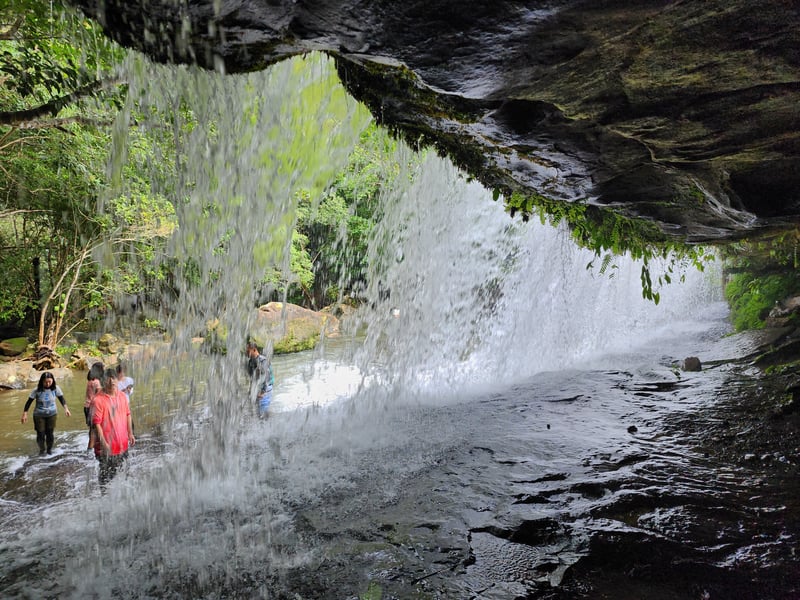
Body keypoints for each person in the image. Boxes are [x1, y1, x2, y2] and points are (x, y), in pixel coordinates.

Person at [92, 368, 135, 488]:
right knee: (106, 479)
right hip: (106, 447)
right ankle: (104, 500)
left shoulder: (122, 396)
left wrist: (130, 434)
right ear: (103, 380)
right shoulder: (98, 400)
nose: (112, 382)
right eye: (108, 379)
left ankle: (121, 501)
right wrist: (103, 443)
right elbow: (96, 424)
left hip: (122, 444)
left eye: (114, 378)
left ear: (118, 380)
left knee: (124, 474)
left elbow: (128, 414)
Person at [21, 371, 71, 455]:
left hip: (52, 414)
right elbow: (29, 402)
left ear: (52, 381)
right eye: (45, 382)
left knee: (50, 433)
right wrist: (25, 414)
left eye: (49, 382)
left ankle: (49, 450)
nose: (47, 384)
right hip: (39, 415)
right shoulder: (36, 390)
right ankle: (42, 449)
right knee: (40, 433)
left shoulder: (55, 388)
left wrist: (66, 409)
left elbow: (61, 399)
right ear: (42, 381)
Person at [246, 341, 274, 417]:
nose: (246, 352)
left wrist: (263, 392)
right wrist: (250, 392)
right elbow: (252, 379)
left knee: (263, 415)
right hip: (257, 390)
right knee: (258, 415)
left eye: (248, 350)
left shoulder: (263, 360)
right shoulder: (250, 362)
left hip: (265, 390)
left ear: (254, 349)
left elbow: (267, 377)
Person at [84, 362, 104, 450]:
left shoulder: (90, 381)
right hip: (93, 408)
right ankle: (90, 448)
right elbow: (100, 395)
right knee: (94, 430)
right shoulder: (97, 382)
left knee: (92, 429)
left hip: (87, 407)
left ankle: (91, 446)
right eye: (103, 368)